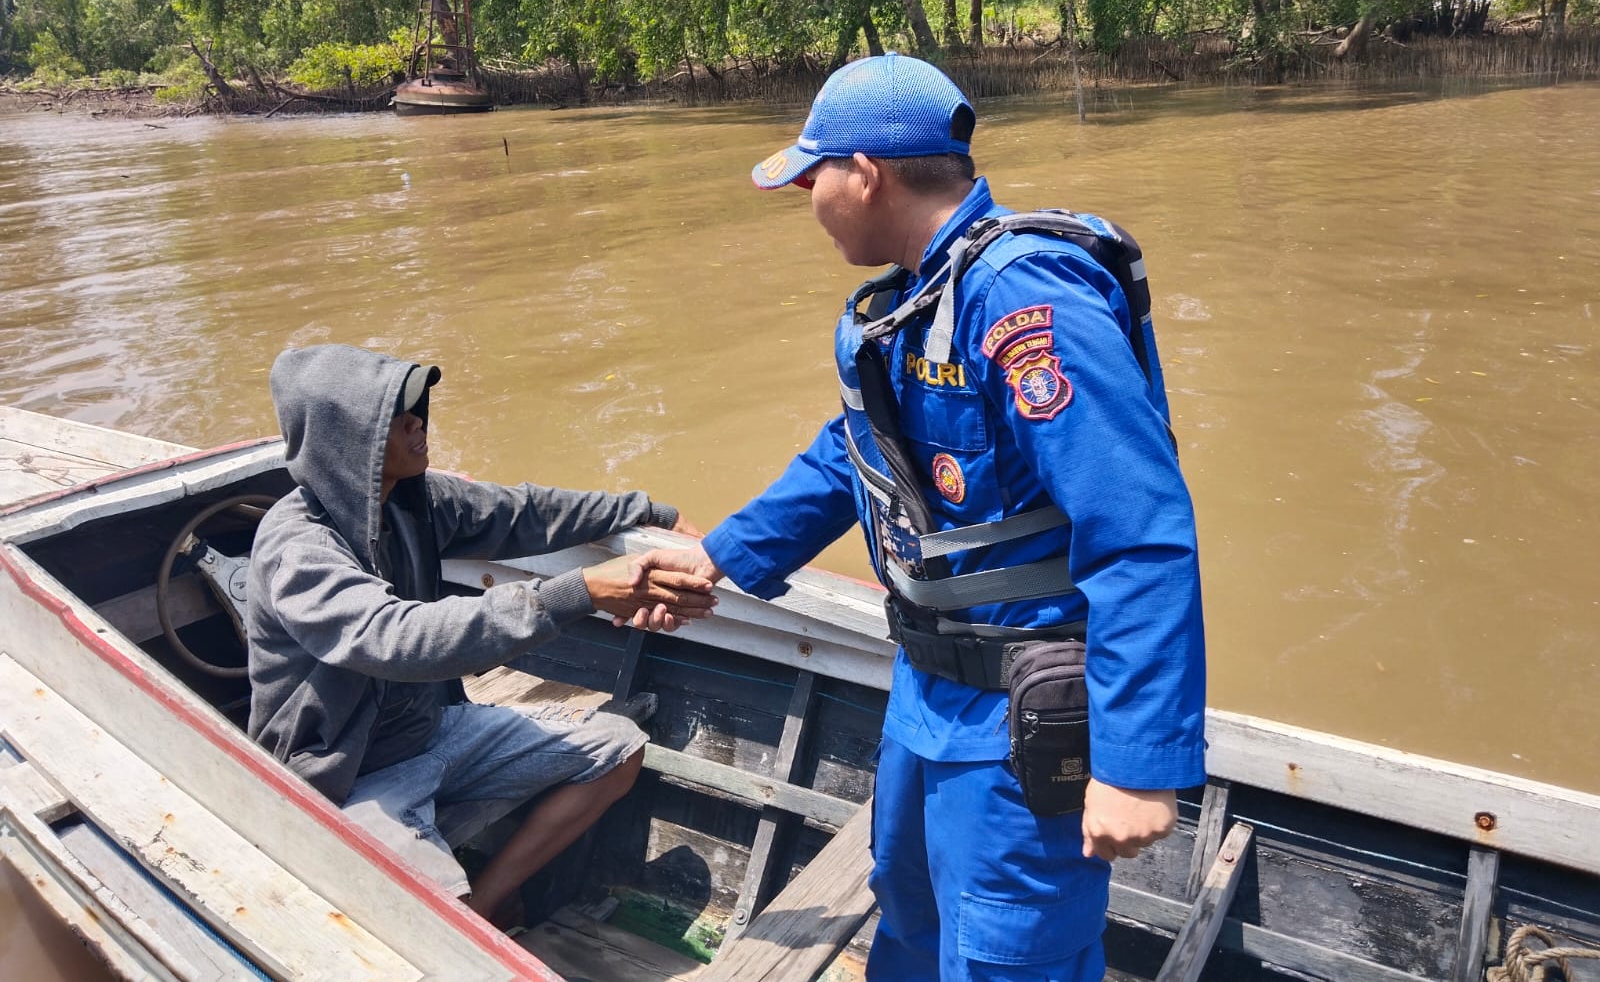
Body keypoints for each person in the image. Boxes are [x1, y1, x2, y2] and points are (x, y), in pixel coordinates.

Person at [631, 53, 1205, 980]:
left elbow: (1138, 528)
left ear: (866, 176)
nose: (806, 198)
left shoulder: (1025, 300)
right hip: (927, 697)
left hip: (1025, 715)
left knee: (1009, 959)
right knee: (909, 920)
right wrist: (722, 558)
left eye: (812, 177)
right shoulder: (913, 304)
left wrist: (1140, 763)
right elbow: (849, 456)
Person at [246, 343, 715, 928]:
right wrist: (584, 592)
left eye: (417, 407)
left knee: (619, 750)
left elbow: (523, 512)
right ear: (347, 442)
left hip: (433, 731)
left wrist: (650, 512)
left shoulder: (413, 501)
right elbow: (396, 638)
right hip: (348, 773)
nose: (418, 423)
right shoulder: (297, 547)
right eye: (394, 417)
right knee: (449, 936)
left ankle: (492, 899)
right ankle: (470, 914)